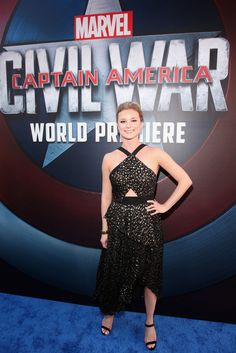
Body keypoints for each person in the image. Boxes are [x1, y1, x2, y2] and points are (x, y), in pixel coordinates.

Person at [93, 101, 192, 350]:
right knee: (114, 272)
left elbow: (185, 180)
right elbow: (106, 196)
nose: (128, 125)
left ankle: (149, 322)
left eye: (133, 120)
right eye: (123, 121)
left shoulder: (156, 153)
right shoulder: (108, 158)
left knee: (150, 276)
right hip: (117, 223)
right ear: (117, 125)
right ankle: (110, 313)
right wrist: (104, 228)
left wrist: (165, 206)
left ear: (141, 123)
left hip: (147, 224)